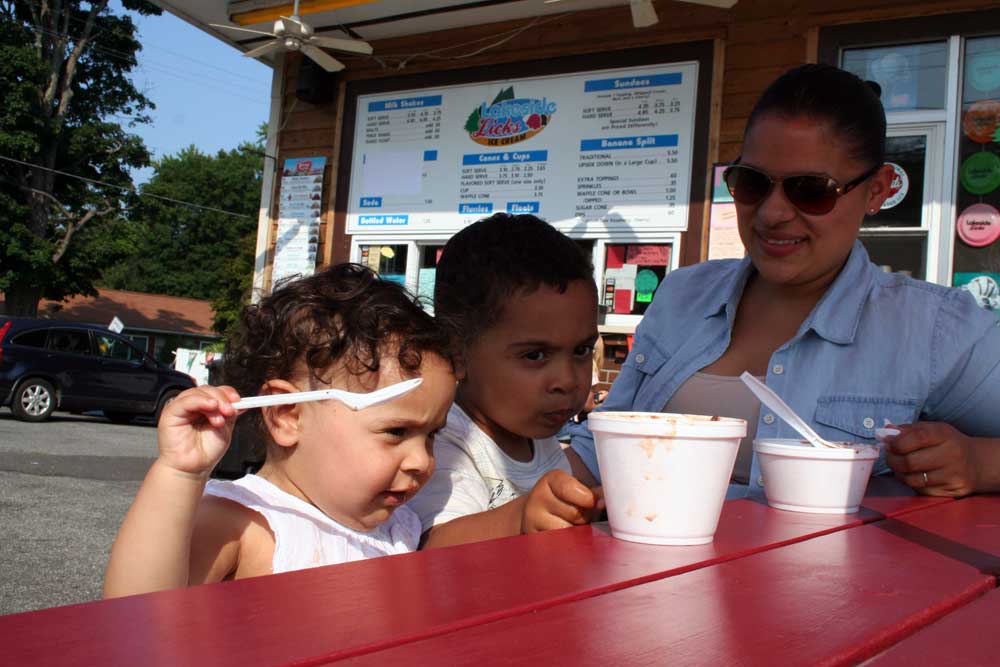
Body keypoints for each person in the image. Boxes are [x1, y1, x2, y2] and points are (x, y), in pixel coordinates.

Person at [571, 63, 1000, 498]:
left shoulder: (936, 331)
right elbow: (599, 450)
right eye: (752, 183)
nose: (773, 213)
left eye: (811, 189)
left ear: (877, 189)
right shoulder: (683, 293)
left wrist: (978, 463)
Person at [103, 264, 455, 597]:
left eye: (431, 435)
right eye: (396, 431)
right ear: (287, 414)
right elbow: (138, 612)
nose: (421, 461)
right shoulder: (242, 523)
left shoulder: (400, 529)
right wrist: (180, 474)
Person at [409, 213, 604, 548]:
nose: (568, 381)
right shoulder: (441, 441)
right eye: (535, 355)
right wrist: (520, 518)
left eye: (582, 350)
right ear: (457, 354)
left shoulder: (535, 434)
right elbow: (433, 545)